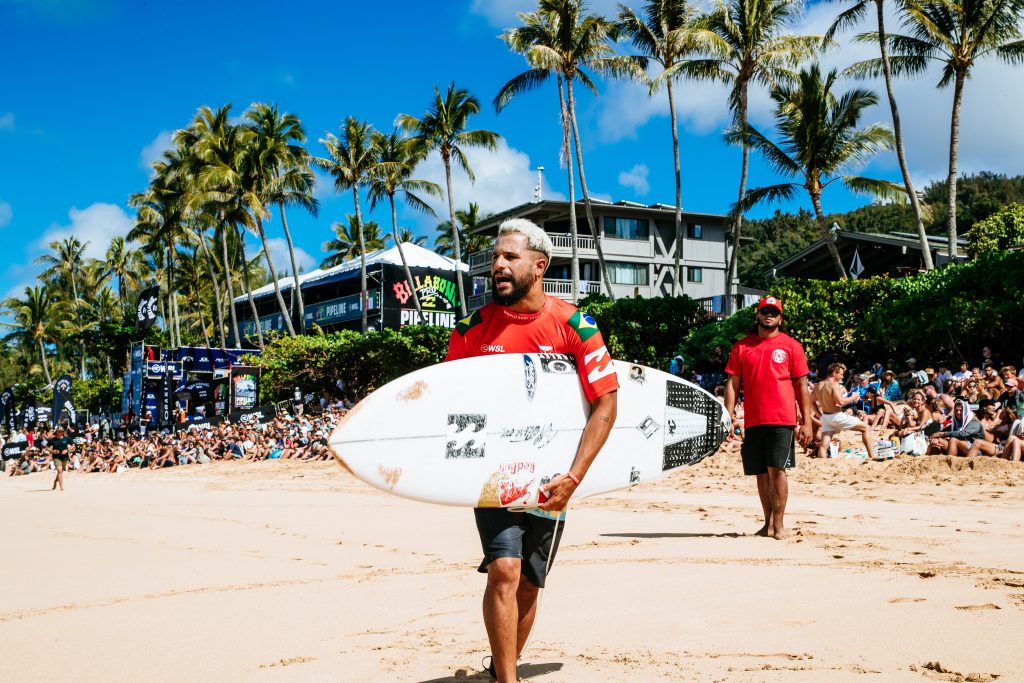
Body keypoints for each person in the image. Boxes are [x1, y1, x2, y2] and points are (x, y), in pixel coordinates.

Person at [445, 218, 618, 683]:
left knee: (528, 582)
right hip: (494, 473)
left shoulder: (575, 325)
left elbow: (606, 402)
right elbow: (450, 406)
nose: (497, 265)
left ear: (539, 266)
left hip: (555, 476)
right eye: (495, 257)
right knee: (503, 568)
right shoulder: (470, 330)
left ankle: (504, 665)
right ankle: (507, 679)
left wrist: (574, 477)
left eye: (509, 257)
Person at [724, 295, 813, 541]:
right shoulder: (742, 347)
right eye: (765, 311)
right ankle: (767, 524)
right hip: (753, 419)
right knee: (761, 473)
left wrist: (806, 421)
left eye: (774, 312)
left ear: (780, 317)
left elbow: (802, 386)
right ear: (758, 315)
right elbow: (733, 383)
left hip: (782, 418)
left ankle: (779, 524)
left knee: (778, 470)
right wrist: (728, 416)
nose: (769, 315)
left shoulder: (791, 346)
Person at [815, 362, 877, 460]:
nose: (842, 376)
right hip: (836, 416)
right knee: (866, 428)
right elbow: (841, 402)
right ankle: (872, 456)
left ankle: (822, 463)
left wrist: (819, 415)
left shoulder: (819, 384)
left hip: (826, 417)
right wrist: (853, 396)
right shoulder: (833, 384)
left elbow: (810, 402)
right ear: (834, 373)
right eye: (841, 374)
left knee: (824, 445)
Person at [49, 426, 70, 491]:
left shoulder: (67, 438)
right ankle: (61, 486)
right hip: (56, 457)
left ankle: (55, 481)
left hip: (65, 457)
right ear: (56, 432)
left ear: (63, 432)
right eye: (58, 432)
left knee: (60, 472)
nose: (60, 433)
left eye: (61, 432)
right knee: (59, 470)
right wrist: (53, 451)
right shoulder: (53, 439)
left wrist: (67, 450)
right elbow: (46, 447)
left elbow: (73, 446)